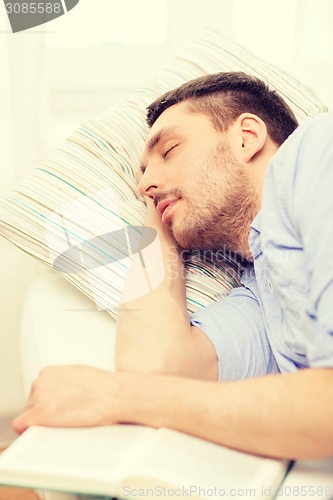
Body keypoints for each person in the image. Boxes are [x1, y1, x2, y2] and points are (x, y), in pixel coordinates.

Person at [12, 72, 333, 460]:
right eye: (142, 175)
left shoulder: (316, 154)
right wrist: (160, 216)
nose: (145, 183)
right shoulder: (262, 291)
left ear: (247, 137)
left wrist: (116, 396)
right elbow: (156, 369)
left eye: (169, 150)